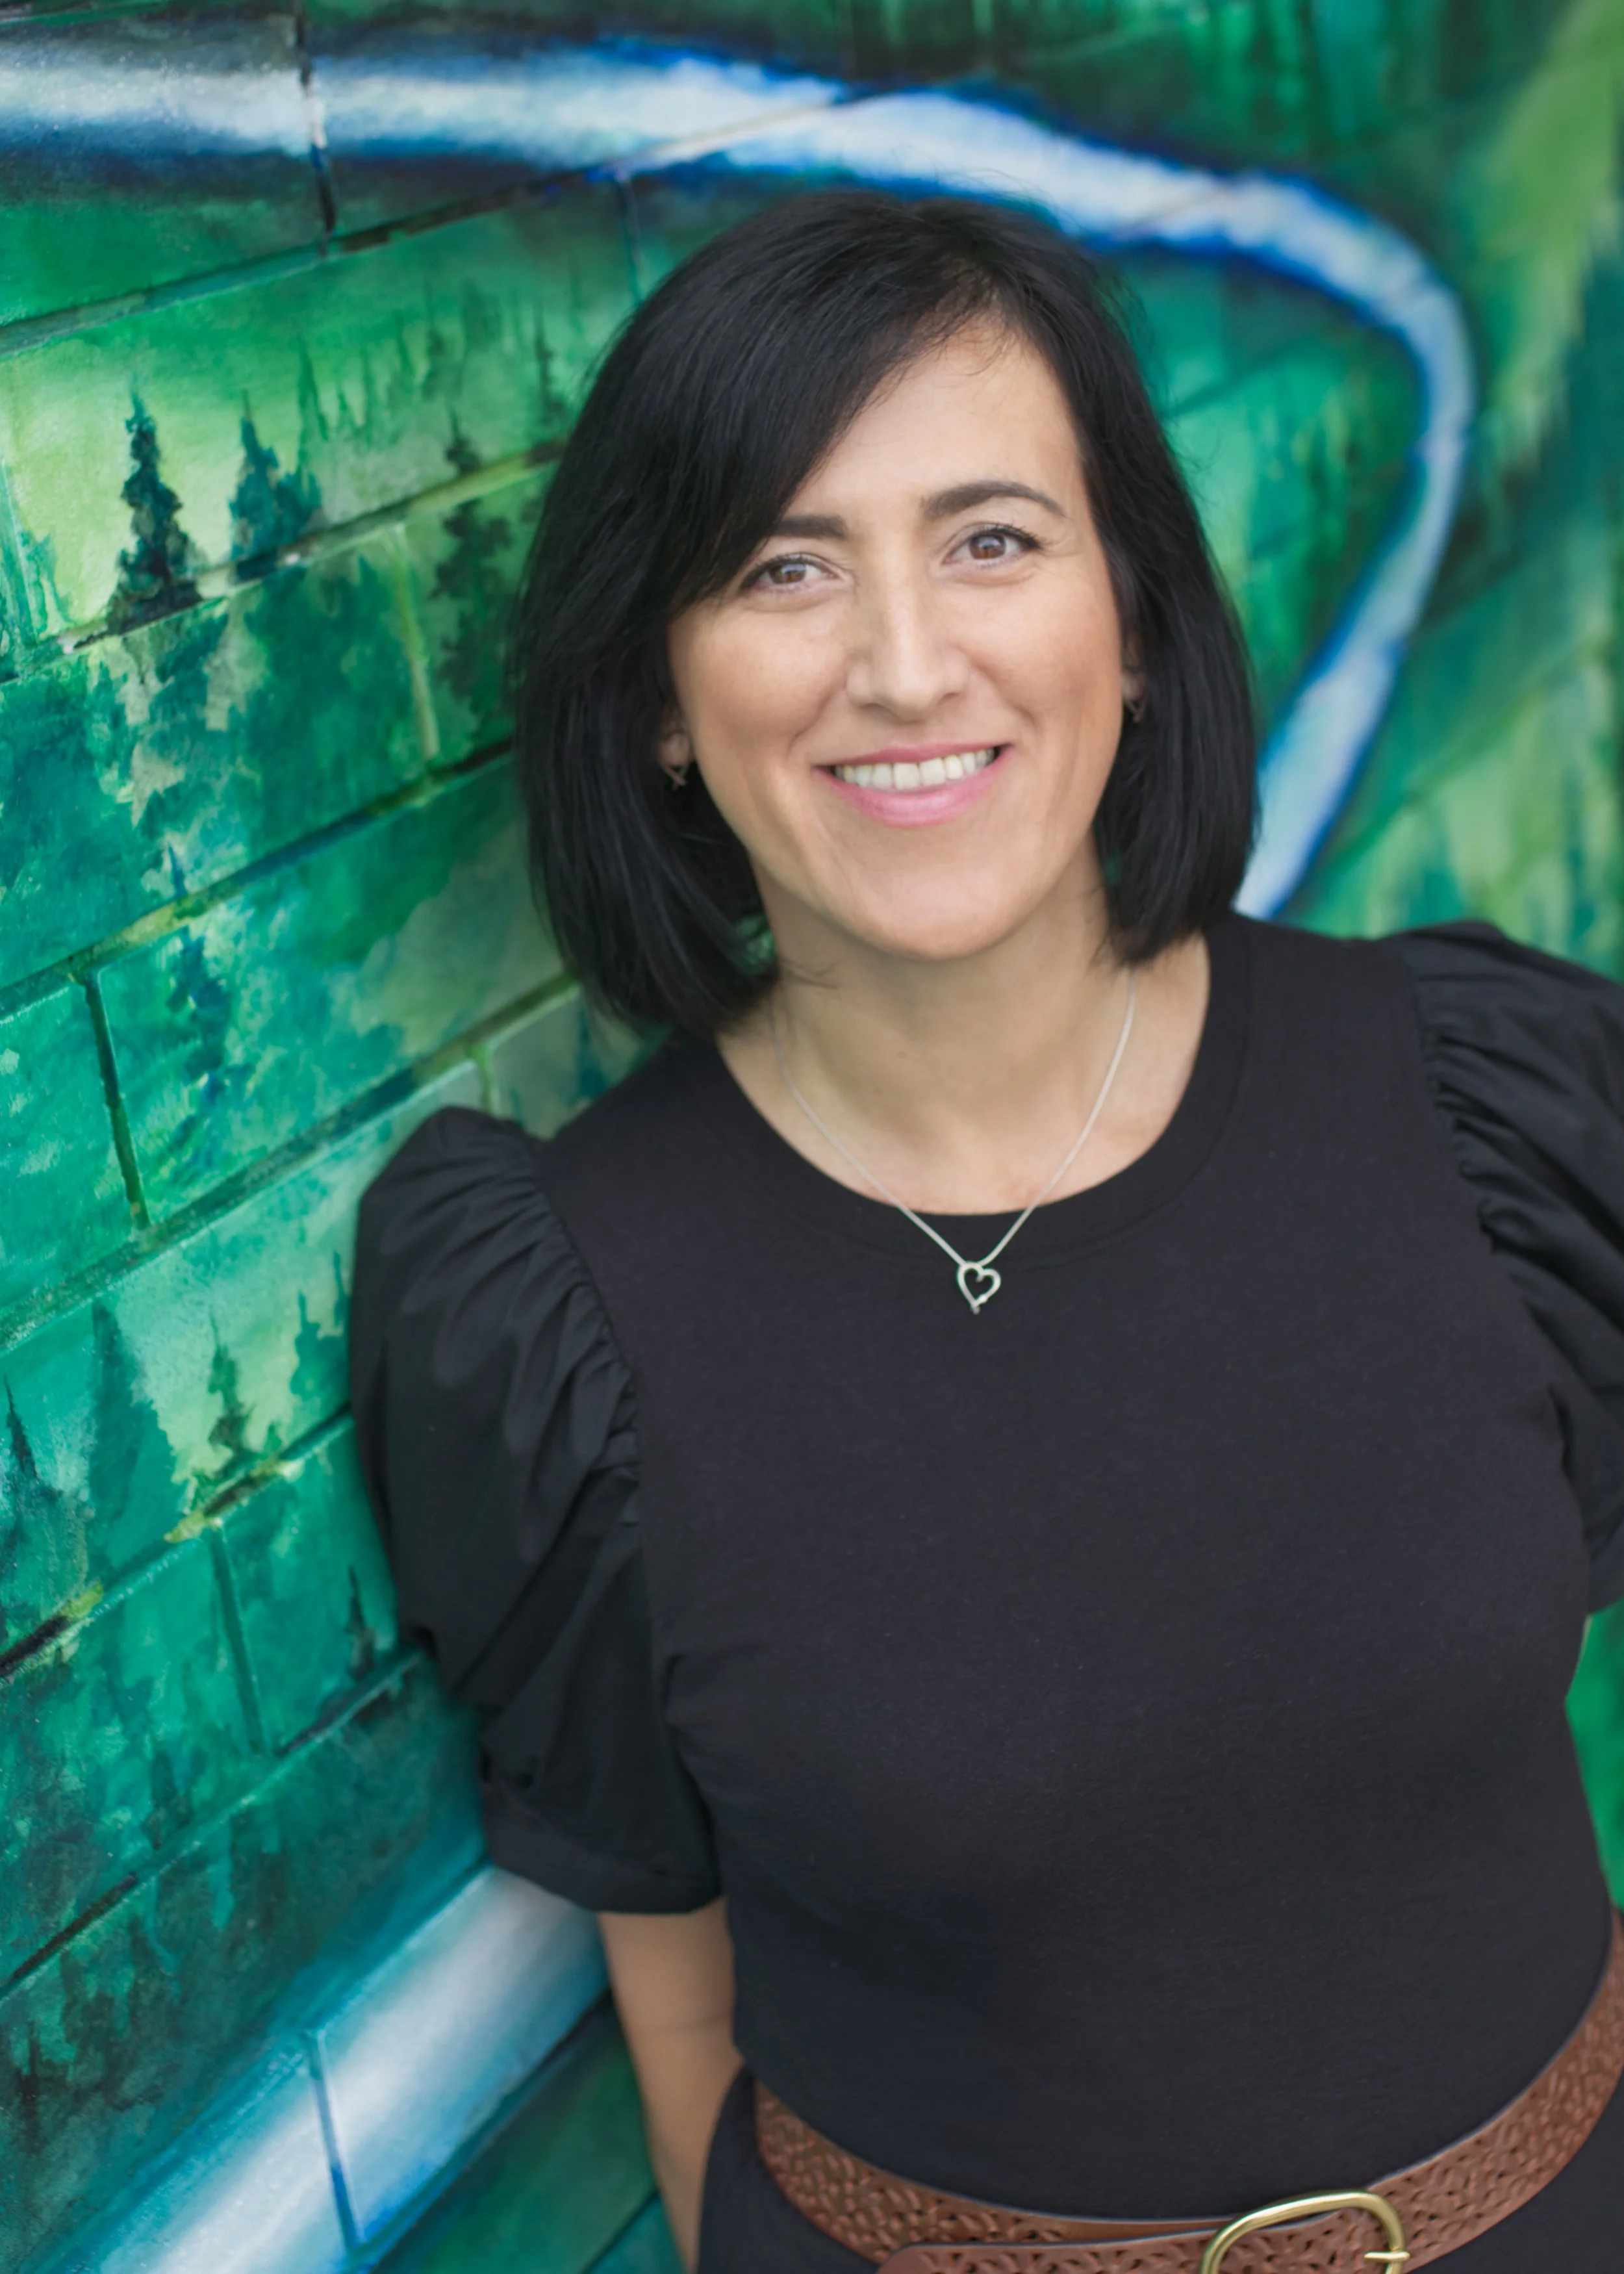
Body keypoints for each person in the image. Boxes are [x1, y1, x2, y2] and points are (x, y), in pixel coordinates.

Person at [349, 191, 1624, 2274]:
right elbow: (668, 1974)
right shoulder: (552, 1317)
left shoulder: (1486, 1101)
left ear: (1126, 614)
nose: (905, 662)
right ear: (662, 697)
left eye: (991, 537)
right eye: (781, 565)